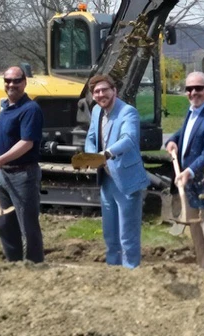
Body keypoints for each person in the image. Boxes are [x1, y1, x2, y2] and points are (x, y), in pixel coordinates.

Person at [0, 66, 44, 263]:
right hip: (4, 174)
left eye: (16, 80)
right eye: (8, 80)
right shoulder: (6, 106)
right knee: (5, 223)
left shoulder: (30, 109)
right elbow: (2, 125)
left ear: (24, 83)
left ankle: (34, 265)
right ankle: (13, 263)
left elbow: (26, 143)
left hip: (24, 175)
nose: (11, 84)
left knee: (27, 226)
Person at [165, 72, 204, 270]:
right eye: (189, 89)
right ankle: (203, 269)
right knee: (196, 231)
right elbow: (187, 132)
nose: (193, 92)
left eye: (198, 88)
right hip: (192, 184)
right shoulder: (193, 110)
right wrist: (172, 140)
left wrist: (189, 171)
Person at [83, 74, 149, 269]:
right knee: (110, 233)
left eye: (104, 90)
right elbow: (91, 137)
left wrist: (106, 154)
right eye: (96, 92)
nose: (101, 94)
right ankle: (113, 271)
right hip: (106, 180)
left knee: (127, 234)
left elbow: (129, 139)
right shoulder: (96, 111)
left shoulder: (128, 112)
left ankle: (131, 271)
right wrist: (91, 156)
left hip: (126, 180)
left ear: (114, 91)